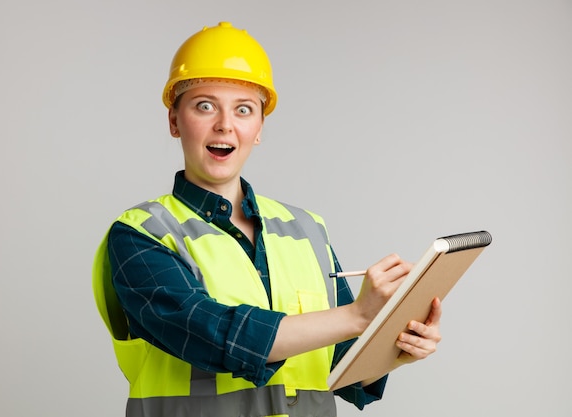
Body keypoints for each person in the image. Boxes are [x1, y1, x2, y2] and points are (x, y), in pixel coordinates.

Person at [93, 21, 442, 417]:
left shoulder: (307, 229)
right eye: (204, 105)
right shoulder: (142, 234)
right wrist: (358, 315)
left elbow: (341, 366)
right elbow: (214, 337)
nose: (225, 124)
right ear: (174, 121)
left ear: (259, 128)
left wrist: (393, 350)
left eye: (244, 109)